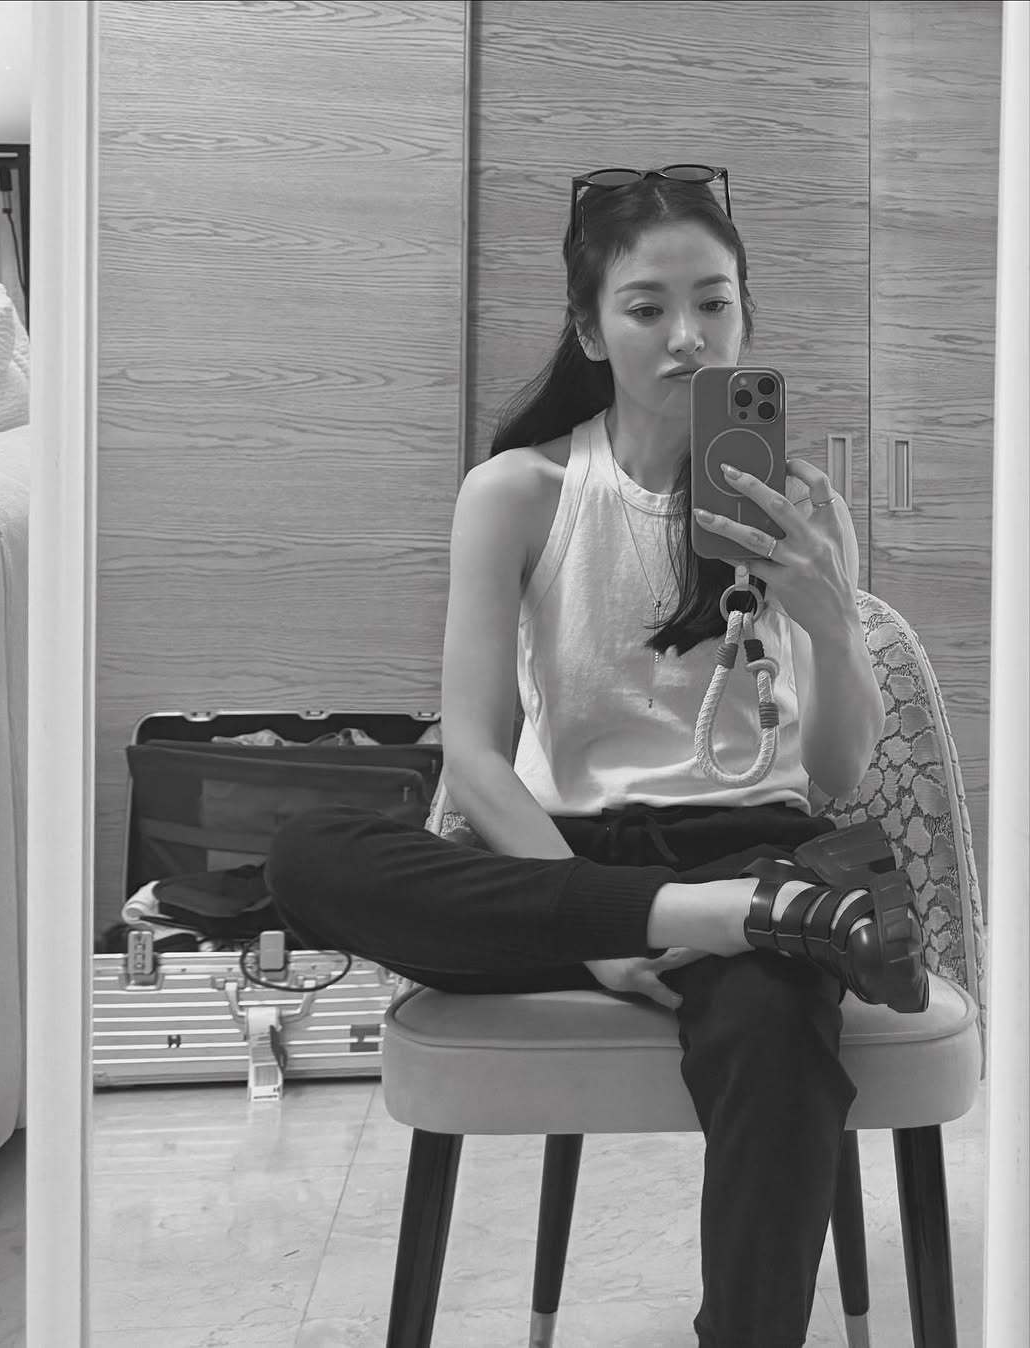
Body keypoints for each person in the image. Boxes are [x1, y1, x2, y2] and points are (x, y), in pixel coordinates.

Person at [264, 165, 928, 1348]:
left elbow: (834, 777)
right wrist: (614, 925)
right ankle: (718, 917)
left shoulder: (800, 505)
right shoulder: (517, 493)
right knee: (309, 855)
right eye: (647, 308)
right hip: (561, 861)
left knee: (777, 1034)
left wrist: (829, 619)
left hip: (756, 860)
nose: (688, 337)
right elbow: (476, 758)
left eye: (715, 303)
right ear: (588, 329)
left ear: (746, 314)